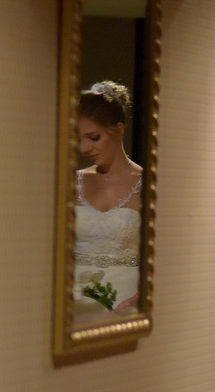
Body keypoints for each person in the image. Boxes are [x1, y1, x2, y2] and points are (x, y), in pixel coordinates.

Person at [73, 81, 143, 328]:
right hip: (73, 302)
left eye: (94, 137)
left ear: (119, 130)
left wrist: (141, 299)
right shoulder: (73, 182)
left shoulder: (148, 184)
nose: (84, 148)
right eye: (79, 139)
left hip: (126, 301)